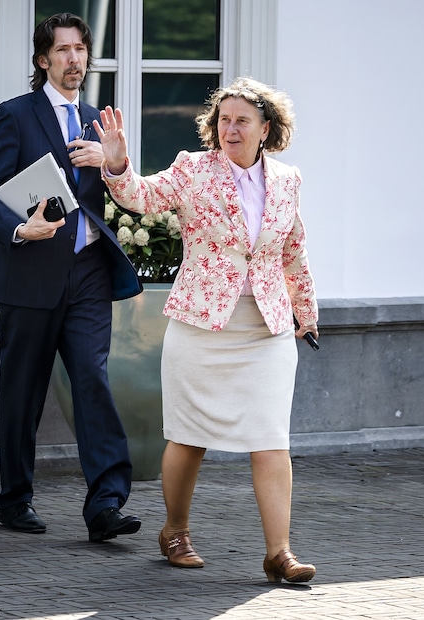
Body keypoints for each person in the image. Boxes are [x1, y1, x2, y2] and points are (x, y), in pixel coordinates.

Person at [95, 77, 319, 582]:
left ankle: (279, 553)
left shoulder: (287, 180)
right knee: (188, 435)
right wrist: (118, 165)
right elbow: (141, 198)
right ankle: (175, 531)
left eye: (242, 121)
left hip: (265, 329)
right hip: (201, 325)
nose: (230, 129)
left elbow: (293, 250)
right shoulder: (193, 169)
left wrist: (306, 313)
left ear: (266, 128)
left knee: (271, 437)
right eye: (224, 120)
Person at [0, 12, 143, 542]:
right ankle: (15, 499)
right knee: (23, 393)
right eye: (63, 50)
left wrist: (114, 164)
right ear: (43, 59)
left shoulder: (97, 120)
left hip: (89, 273)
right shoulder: (14, 116)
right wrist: (20, 230)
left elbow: (123, 195)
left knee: (93, 381)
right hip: (30, 272)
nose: (74, 59)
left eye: (81, 49)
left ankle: (105, 505)